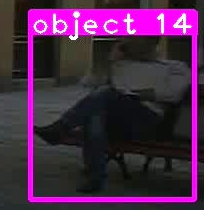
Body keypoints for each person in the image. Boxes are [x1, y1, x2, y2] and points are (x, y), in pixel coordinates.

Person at [35, 36, 188, 193]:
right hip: (115, 118)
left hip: (147, 120)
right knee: (95, 115)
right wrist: (109, 63)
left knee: (104, 97)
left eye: (134, 40)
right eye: (127, 41)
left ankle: (61, 129)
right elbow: (87, 83)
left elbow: (173, 94)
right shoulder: (121, 64)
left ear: (151, 42)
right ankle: (95, 179)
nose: (127, 43)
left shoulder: (174, 67)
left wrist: (136, 94)